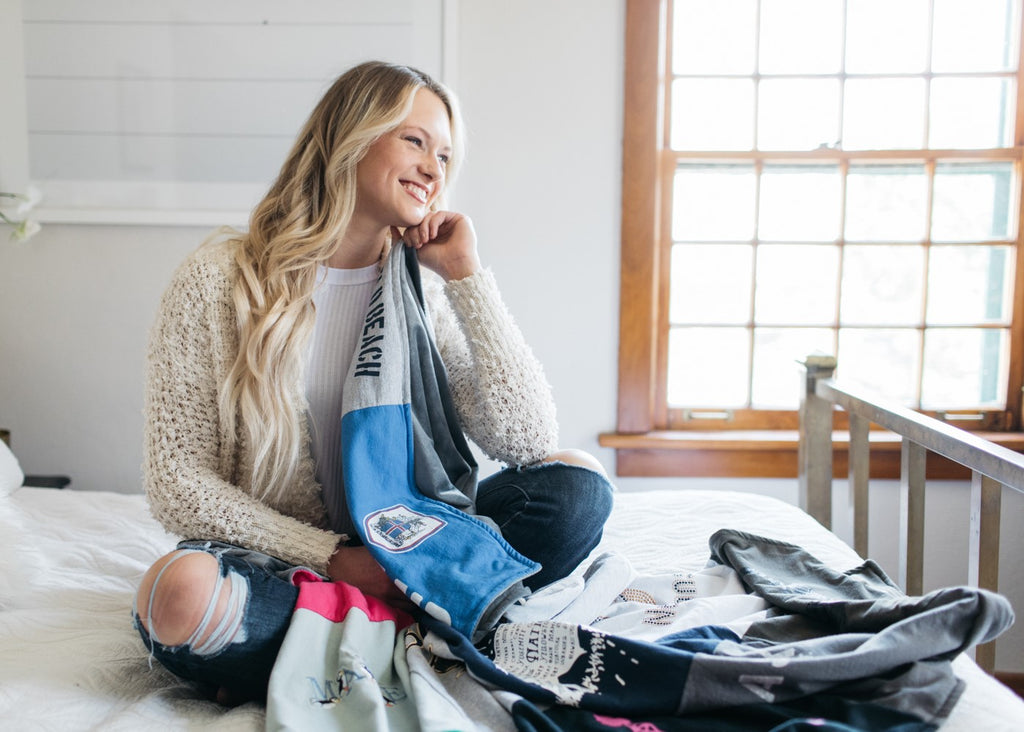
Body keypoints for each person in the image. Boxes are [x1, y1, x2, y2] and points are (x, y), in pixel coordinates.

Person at [133, 61, 614, 705]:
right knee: (179, 594)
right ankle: (424, 628)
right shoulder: (219, 280)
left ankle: (329, 646)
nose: (434, 167)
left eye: (445, 154)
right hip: (294, 564)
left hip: (414, 545)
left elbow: (526, 436)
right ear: (350, 139)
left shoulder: (417, 286)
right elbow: (177, 481)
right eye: (414, 141)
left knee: (576, 483)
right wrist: (333, 556)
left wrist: (466, 276)